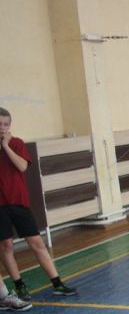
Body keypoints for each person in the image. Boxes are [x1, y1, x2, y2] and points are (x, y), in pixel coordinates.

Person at [0, 107, 77, 301]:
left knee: (37, 243)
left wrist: (6, 146)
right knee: (6, 246)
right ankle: (19, 286)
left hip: (18, 201)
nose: (2, 127)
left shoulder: (16, 143)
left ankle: (57, 283)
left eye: (6, 124)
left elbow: (22, 166)